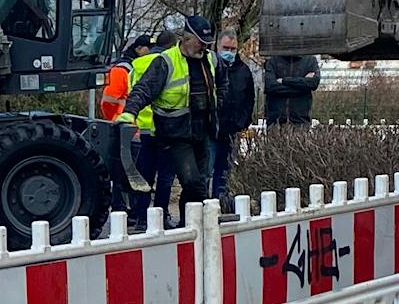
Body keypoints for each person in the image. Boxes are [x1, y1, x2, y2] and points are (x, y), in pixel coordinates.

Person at [119, 13, 220, 220]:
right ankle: (201, 222)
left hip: (202, 132)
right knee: (193, 182)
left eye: (207, 43)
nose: (204, 48)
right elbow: (143, 90)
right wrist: (129, 113)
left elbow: (222, 84)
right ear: (186, 38)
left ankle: (188, 223)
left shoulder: (209, 59)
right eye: (201, 43)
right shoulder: (165, 62)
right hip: (175, 135)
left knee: (197, 183)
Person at [212, 27, 257, 206]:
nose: (229, 53)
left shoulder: (243, 71)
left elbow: (249, 100)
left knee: (225, 172)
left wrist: (242, 124)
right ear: (217, 46)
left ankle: (220, 204)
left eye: (232, 49)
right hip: (212, 130)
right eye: (226, 48)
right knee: (206, 172)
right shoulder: (210, 67)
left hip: (233, 131)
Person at [263, 52, 320, 125]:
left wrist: (284, 80)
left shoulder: (310, 60)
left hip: (301, 121)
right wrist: (302, 86)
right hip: (275, 121)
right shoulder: (273, 61)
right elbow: (270, 86)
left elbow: (313, 83)